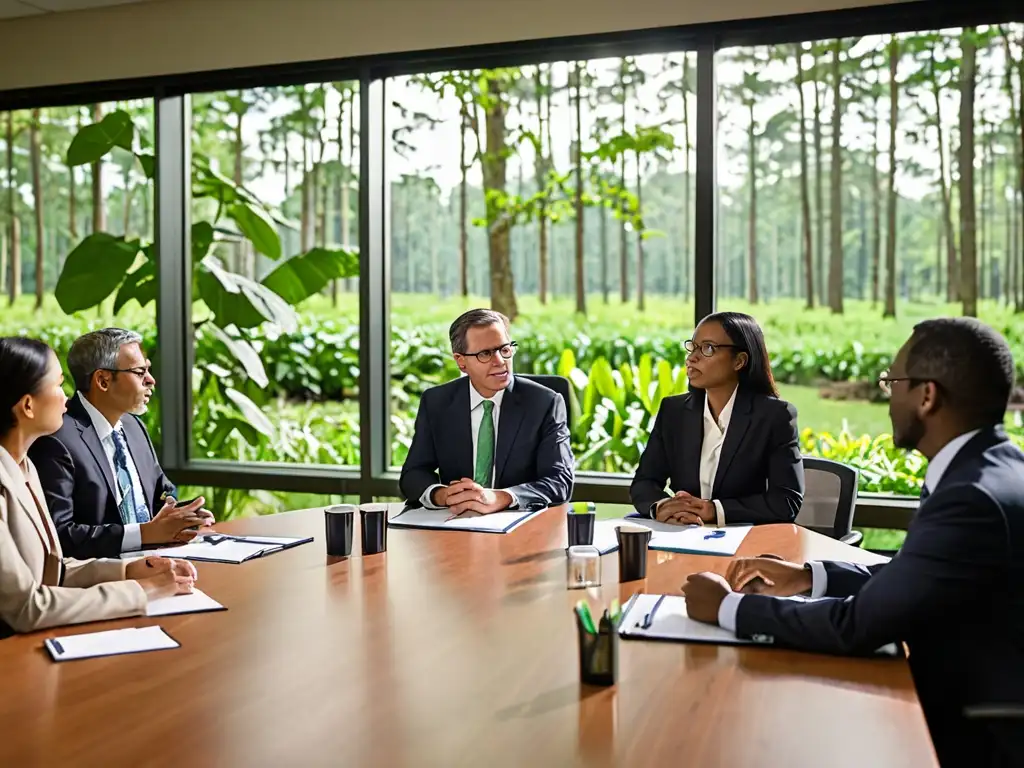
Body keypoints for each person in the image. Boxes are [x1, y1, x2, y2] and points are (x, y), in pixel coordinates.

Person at [682, 317, 1024, 768]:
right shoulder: (992, 468)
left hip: (965, 731)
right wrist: (809, 575)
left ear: (927, 396)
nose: (888, 397)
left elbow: (856, 626)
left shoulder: (970, 497)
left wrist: (727, 608)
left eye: (893, 382)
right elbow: (913, 576)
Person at [0, 337, 197, 638]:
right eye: (58, 385)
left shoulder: (23, 467)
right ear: (28, 406)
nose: (68, 398)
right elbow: (28, 606)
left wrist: (128, 571)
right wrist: (142, 591)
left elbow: (56, 570)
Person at [29, 328, 212, 559]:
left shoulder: (134, 426)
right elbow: (60, 535)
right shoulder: (56, 439)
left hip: (159, 562)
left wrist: (185, 514)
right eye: (140, 372)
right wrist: (144, 534)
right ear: (103, 380)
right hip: (102, 577)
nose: (151, 380)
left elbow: (161, 493)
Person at [630, 311, 804, 526]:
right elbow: (644, 482)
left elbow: (786, 501)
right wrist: (663, 506)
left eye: (708, 348)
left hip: (745, 542)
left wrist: (715, 510)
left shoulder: (775, 416)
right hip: (680, 535)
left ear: (739, 361)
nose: (692, 358)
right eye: (693, 347)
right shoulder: (674, 411)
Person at [399, 308, 574, 515]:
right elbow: (413, 474)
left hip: (519, 526)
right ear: (461, 361)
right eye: (485, 354)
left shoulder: (544, 403)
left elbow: (559, 481)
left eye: (505, 349)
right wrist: (442, 495)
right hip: (454, 522)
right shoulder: (437, 402)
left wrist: (502, 497)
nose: (500, 361)